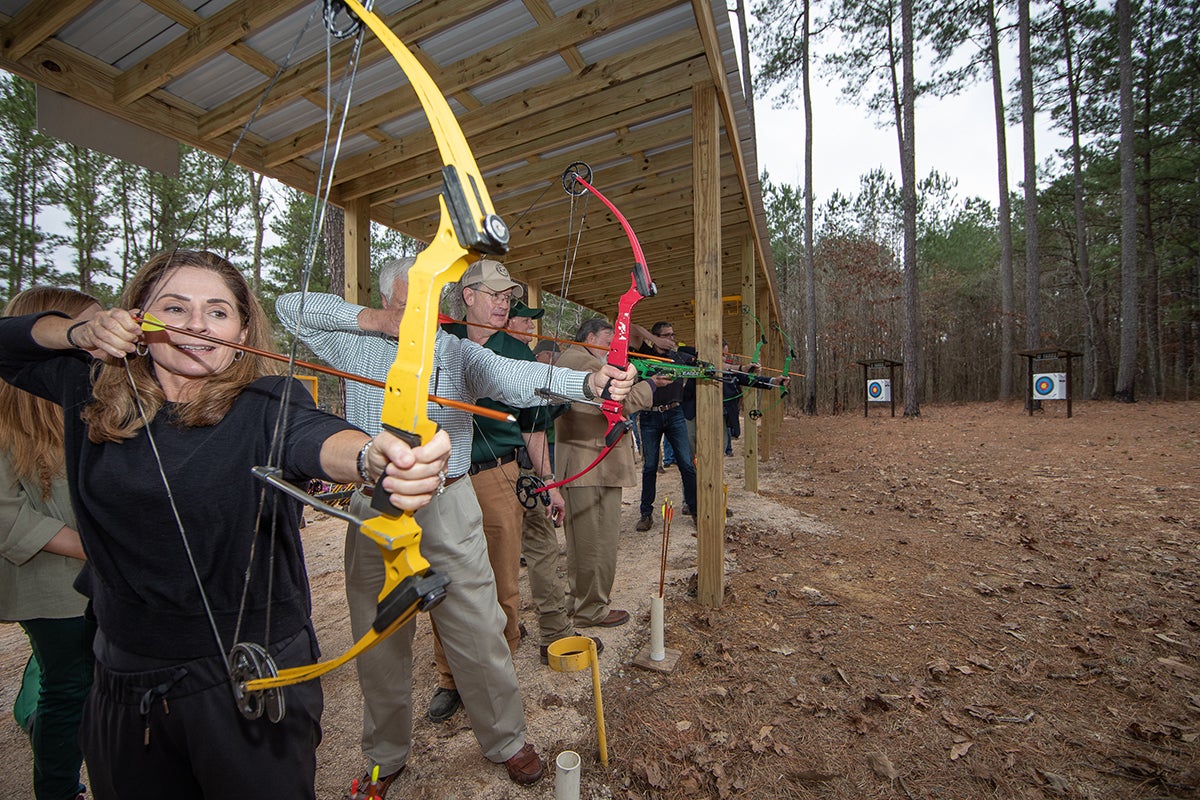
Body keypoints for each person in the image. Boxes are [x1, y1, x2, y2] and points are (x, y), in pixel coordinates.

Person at [0, 250, 450, 800]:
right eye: (174, 307)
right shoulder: (90, 388)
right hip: (123, 672)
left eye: (218, 312)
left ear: (242, 326)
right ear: (136, 318)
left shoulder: (268, 401)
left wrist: (379, 460)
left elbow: (317, 438)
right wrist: (76, 332)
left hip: (250, 674)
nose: (196, 324)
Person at [276, 258, 635, 795]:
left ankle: (506, 738)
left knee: (477, 623)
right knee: (378, 636)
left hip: (449, 500)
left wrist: (588, 380)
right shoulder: (354, 344)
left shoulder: (454, 349)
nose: (431, 304)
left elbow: (517, 376)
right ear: (394, 297)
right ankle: (386, 754)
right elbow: (290, 308)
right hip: (376, 505)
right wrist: (375, 321)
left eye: (434, 294)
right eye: (416, 294)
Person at [442, 261, 600, 670]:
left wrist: (549, 482)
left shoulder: (513, 352)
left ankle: (501, 661)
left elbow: (532, 428)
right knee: (447, 579)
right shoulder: (440, 338)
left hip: (500, 474)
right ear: (468, 296)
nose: (504, 304)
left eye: (507, 296)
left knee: (503, 579)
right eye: (494, 295)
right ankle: (450, 675)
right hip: (444, 476)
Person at [0, 286, 100, 800]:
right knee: (69, 688)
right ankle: (59, 789)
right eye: (82, 333)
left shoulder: (86, 403)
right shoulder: (8, 420)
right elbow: (8, 516)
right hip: (53, 587)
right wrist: (99, 547)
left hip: (100, 579)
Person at [555, 317, 654, 628]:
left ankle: (579, 601)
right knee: (597, 544)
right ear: (589, 336)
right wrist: (652, 386)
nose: (615, 347)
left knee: (586, 543)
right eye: (610, 339)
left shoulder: (578, 359)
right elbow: (615, 400)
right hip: (591, 467)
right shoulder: (579, 360)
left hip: (590, 466)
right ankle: (590, 610)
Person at [634, 321, 698, 531]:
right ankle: (646, 513)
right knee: (650, 466)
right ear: (655, 337)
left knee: (687, 465)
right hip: (650, 415)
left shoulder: (679, 357)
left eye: (673, 335)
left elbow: (710, 366)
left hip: (675, 414)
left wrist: (742, 369)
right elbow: (631, 326)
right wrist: (654, 341)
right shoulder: (643, 353)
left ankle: (695, 508)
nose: (671, 339)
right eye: (666, 336)